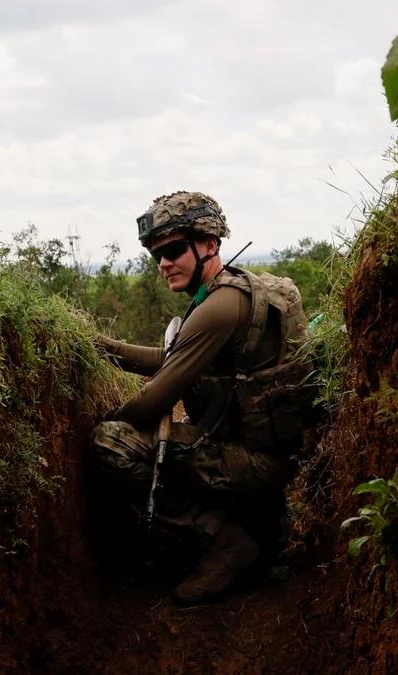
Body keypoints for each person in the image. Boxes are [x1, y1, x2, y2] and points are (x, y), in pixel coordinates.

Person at [91, 190, 315, 604]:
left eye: (174, 249)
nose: (164, 263)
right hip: (261, 455)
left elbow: (155, 399)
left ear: (210, 244)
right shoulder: (229, 292)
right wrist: (102, 345)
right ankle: (247, 528)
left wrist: (110, 418)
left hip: (255, 464)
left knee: (111, 442)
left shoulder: (220, 306)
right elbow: (174, 357)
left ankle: (223, 545)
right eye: (157, 254)